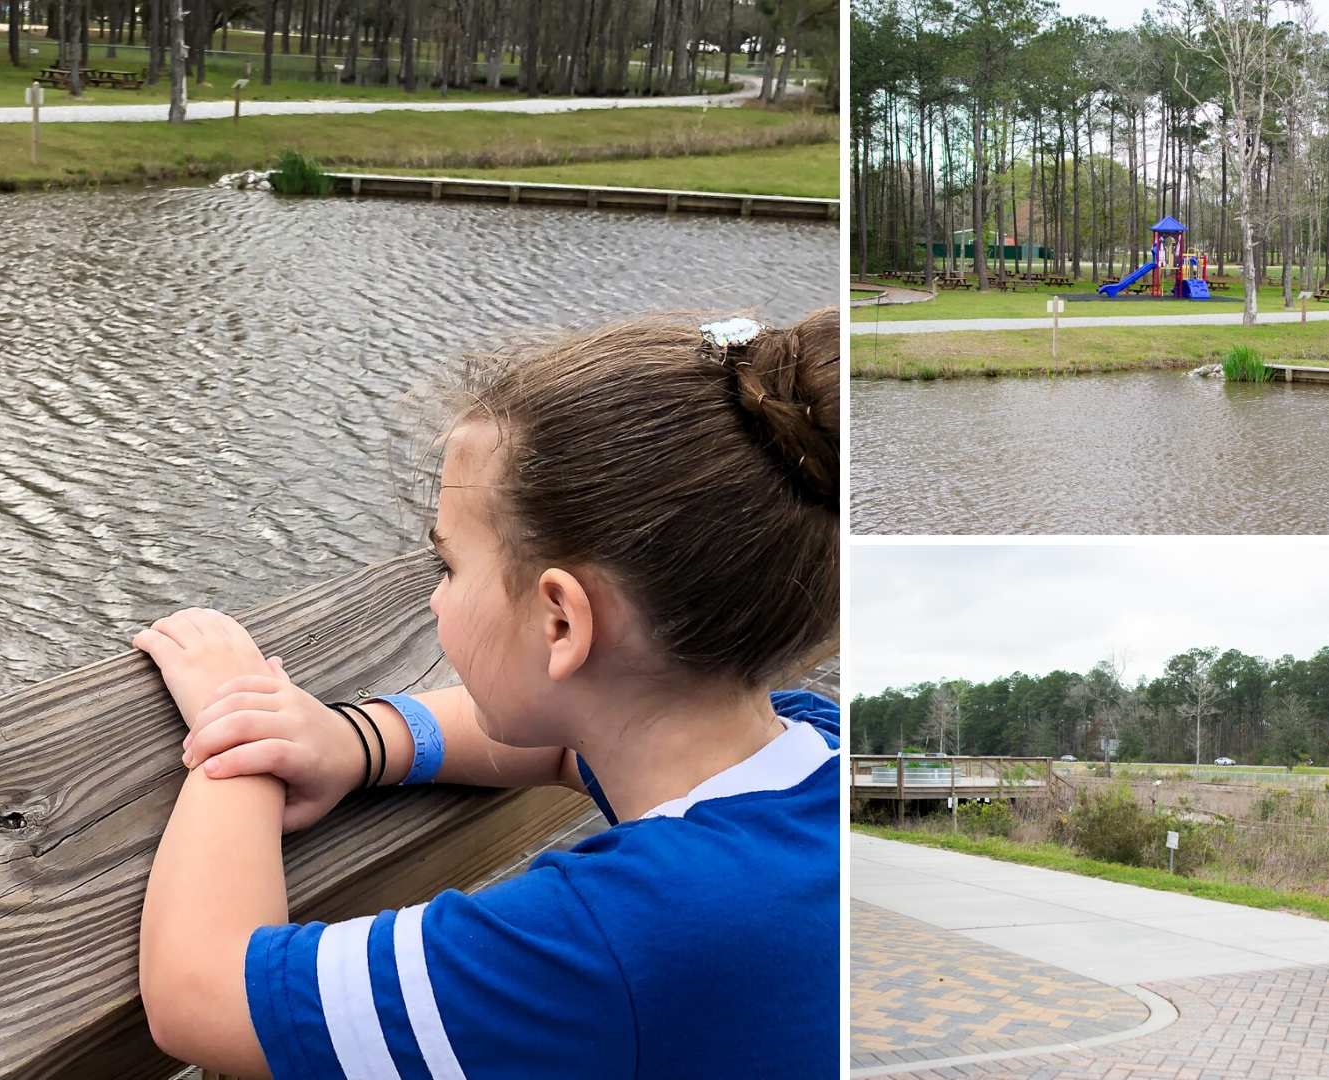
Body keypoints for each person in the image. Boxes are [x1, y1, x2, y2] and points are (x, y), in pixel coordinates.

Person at [131, 308, 840, 1078]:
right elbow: (569, 747)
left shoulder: (615, 934)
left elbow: (202, 995)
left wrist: (235, 720)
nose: (435, 600)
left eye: (448, 568)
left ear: (561, 621)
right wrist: (357, 743)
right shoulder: (807, 749)